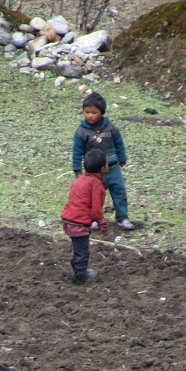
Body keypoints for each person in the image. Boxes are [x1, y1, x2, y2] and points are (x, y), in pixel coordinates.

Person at [72, 92, 134, 231]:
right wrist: (77, 170)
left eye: (94, 112)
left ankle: (122, 217)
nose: (90, 115)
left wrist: (122, 158)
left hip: (112, 168)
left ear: (101, 112)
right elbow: (77, 151)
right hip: (95, 172)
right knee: (95, 196)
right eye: (87, 112)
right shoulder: (82, 131)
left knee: (119, 192)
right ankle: (93, 219)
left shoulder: (110, 128)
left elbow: (119, 143)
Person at [61, 149, 110, 284]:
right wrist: (102, 223)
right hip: (78, 223)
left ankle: (77, 267)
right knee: (83, 251)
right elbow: (96, 210)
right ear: (102, 168)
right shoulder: (96, 185)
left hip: (68, 219)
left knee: (79, 247)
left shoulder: (80, 179)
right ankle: (80, 275)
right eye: (107, 163)